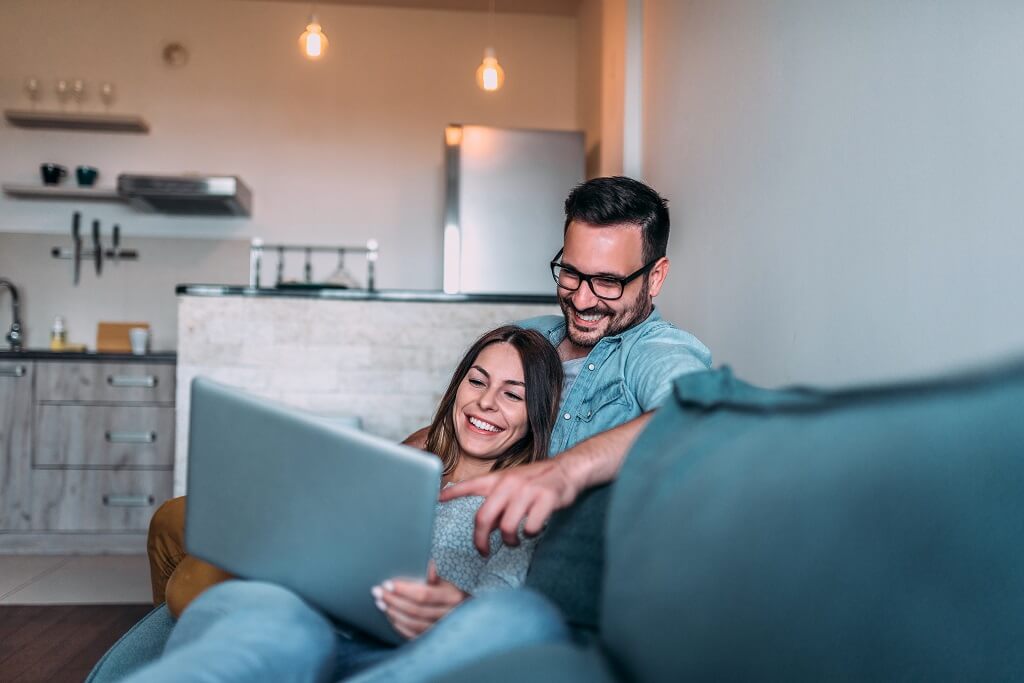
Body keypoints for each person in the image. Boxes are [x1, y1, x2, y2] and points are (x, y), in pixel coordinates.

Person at [140, 176, 712, 682]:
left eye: (607, 283)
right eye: (571, 273)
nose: (582, 299)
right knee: (183, 524)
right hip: (398, 528)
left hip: (491, 561)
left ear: (654, 276)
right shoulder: (532, 331)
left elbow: (694, 414)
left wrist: (561, 473)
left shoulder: (655, 352)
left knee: (221, 575)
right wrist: (384, 473)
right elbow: (454, 421)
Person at [124, 325, 565, 682]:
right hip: (307, 598)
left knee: (215, 581)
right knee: (186, 530)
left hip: (384, 641)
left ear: (536, 413)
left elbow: (501, 614)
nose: (485, 402)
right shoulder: (407, 467)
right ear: (458, 386)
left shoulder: (520, 506)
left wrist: (454, 605)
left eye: (512, 394)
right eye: (477, 381)